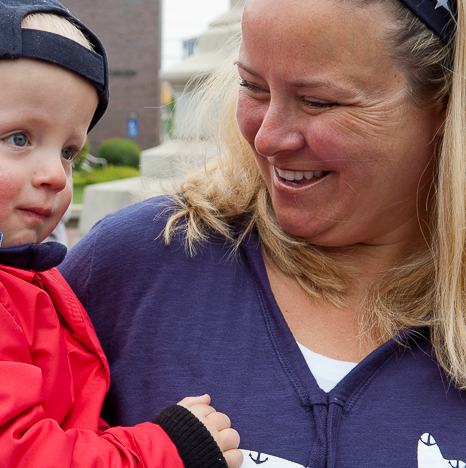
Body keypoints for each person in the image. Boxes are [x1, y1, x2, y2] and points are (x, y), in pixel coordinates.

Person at [59, 0, 466, 465]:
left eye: (318, 101)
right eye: (253, 87)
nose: (268, 138)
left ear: (444, 104)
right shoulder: (135, 266)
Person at [0, 1, 242, 467]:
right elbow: (4, 456)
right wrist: (164, 452)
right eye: (19, 138)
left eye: (69, 151)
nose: (55, 175)